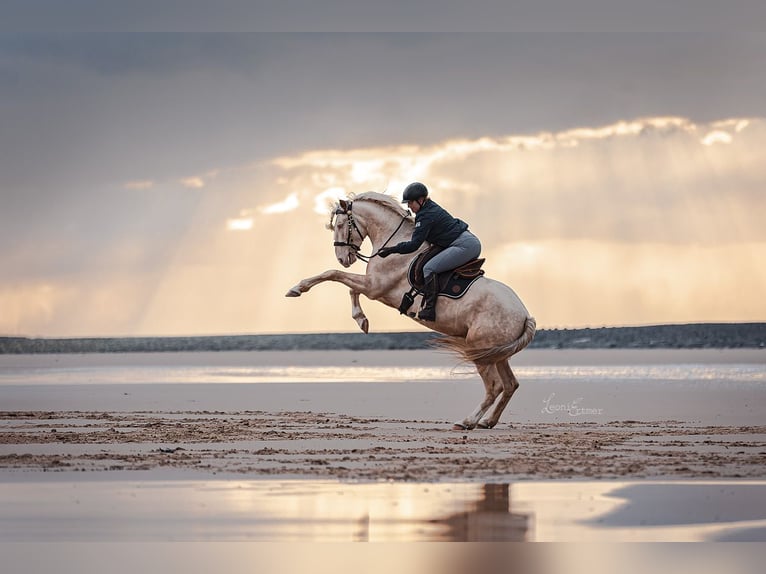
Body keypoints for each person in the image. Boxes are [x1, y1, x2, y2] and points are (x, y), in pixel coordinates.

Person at [377, 182, 481, 321]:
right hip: (462, 242)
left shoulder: (425, 215)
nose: (409, 206)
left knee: (429, 268)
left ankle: (430, 309)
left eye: (410, 203)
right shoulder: (427, 209)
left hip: (464, 246)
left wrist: (392, 250)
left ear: (420, 200)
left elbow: (414, 245)